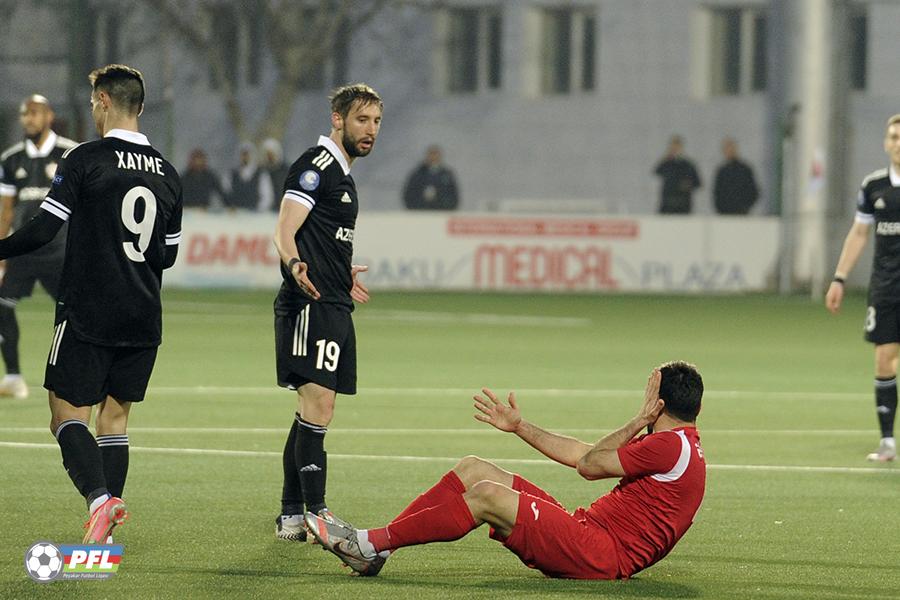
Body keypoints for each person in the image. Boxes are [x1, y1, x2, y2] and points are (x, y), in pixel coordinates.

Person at [0, 64, 183, 542]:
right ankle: (103, 530)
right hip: (144, 312)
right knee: (115, 417)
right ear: (140, 106)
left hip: (89, 308)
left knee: (64, 413)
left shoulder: (85, 159)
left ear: (102, 101)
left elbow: (42, 231)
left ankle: (100, 501)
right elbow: (169, 253)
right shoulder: (168, 172)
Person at [307, 361, 706, 579]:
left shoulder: (667, 445)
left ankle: (367, 543)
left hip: (602, 555)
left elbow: (588, 466)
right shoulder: (675, 445)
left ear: (657, 403)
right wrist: (519, 427)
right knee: (474, 468)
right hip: (587, 532)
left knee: (488, 495)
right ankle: (377, 547)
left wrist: (638, 418)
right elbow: (583, 454)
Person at [272, 83, 382, 541]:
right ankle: (316, 513)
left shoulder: (343, 173)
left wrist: (341, 272)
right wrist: (297, 265)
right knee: (319, 404)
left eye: (376, 121)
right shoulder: (316, 167)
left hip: (333, 299)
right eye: (361, 120)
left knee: (312, 410)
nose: (370, 130)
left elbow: (323, 236)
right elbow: (284, 230)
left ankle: (292, 514)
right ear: (337, 119)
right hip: (308, 304)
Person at [825, 114, 900, 462]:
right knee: (884, 359)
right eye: (894, 137)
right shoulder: (874, 186)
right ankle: (887, 441)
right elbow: (859, 233)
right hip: (886, 286)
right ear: (886, 143)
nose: (898, 143)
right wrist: (839, 277)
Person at [0, 95, 77, 398]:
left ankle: (75, 375)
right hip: (24, 250)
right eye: (24, 114)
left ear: (49, 116)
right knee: (2, 308)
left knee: (74, 314)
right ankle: (14, 377)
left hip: (61, 251)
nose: (28, 118)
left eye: (34, 113)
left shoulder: (71, 153)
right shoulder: (11, 159)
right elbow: (6, 210)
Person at [654, 135, 701, 214]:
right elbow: (656, 171)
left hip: (683, 205)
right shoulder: (666, 163)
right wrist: (666, 158)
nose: (675, 149)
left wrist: (688, 185)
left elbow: (697, 183)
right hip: (667, 204)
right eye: (673, 146)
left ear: (681, 148)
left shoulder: (688, 165)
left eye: (677, 146)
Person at [402, 145, 459, 210]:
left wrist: (444, 205)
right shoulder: (417, 175)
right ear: (427, 156)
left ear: (440, 156)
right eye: (431, 154)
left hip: (442, 214)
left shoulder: (447, 175)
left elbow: (453, 196)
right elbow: (408, 195)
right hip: (421, 214)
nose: (433, 157)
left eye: (436, 154)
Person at [713, 137, 759, 215]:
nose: (728, 151)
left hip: (742, 213)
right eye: (726, 149)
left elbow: (753, 191)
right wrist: (720, 209)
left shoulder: (745, 169)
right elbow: (717, 192)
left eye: (731, 148)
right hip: (724, 214)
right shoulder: (722, 170)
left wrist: (745, 206)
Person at [228, 142, 273, 212]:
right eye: (243, 154)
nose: (245, 157)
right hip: (237, 215)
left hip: (255, 216)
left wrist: (259, 211)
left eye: (247, 154)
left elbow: (267, 196)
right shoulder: (233, 174)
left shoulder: (261, 174)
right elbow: (228, 193)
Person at [261, 138, 289, 213]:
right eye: (268, 154)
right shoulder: (262, 171)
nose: (270, 157)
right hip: (266, 212)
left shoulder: (286, 171)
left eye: (271, 154)